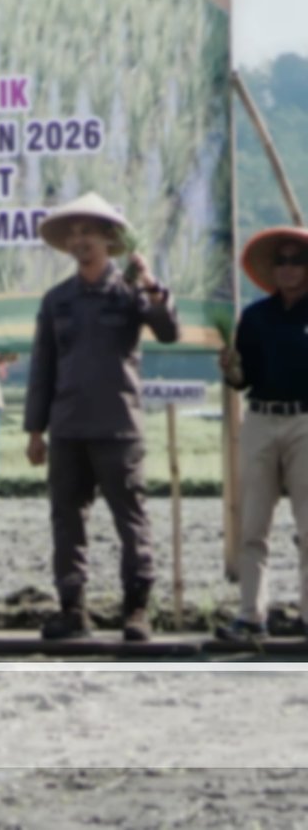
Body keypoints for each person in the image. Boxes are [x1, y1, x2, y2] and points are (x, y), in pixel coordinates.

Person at [23, 193, 179, 643]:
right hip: (68, 428)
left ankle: (136, 612)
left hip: (118, 428)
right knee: (66, 521)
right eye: (73, 232)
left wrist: (149, 281)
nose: (80, 239)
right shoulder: (57, 300)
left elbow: (168, 331)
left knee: (131, 521)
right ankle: (73, 611)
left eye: (89, 231)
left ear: (109, 239)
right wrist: (36, 431)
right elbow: (42, 368)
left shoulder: (131, 292)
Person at [215, 226, 308, 641]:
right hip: (260, 419)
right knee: (253, 523)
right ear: (272, 269)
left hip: (305, 421)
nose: (289, 268)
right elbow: (243, 379)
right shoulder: (255, 316)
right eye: (282, 261)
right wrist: (231, 370)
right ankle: (251, 616)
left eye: (297, 260)